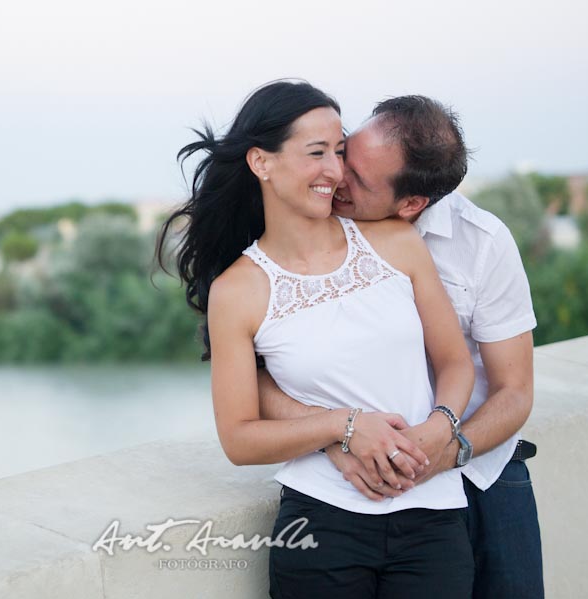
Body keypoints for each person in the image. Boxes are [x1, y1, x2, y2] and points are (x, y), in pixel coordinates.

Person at [157, 81, 475, 597]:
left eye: (340, 150)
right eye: (317, 152)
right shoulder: (237, 291)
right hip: (322, 527)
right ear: (261, 162)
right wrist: (345, 428)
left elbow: (455, 363)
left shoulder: (396, 241)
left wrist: (441, 428)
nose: (335, 170)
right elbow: (239, 438)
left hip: (433, 516)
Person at [258, 95, 544, 598]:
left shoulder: (481, 244)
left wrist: (441, 449)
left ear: (411, 205)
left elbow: (515, 391)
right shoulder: (303, 225)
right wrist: (334, 437)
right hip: (351, 479)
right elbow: (257, 373)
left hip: (480, 464)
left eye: (359, 180)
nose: (336, 176)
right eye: (344, 152)